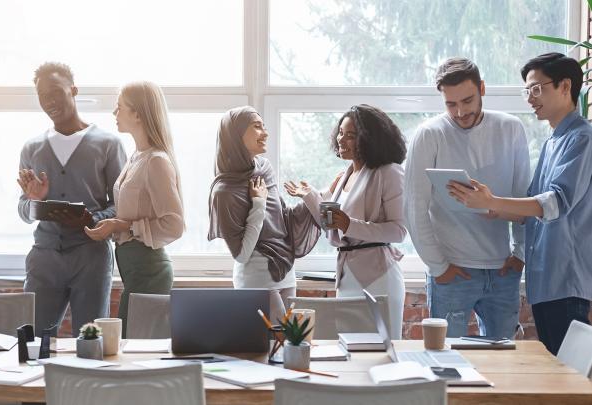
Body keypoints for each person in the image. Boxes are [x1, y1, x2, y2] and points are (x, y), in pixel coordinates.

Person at [448, 53, 592, 354]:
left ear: (565, 86)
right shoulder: (554, 141)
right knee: (556, 373)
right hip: (545, 283)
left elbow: (555, 203)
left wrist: (496, 201)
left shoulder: (582, 139)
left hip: (566, 281)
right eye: (526, 91)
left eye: (537, 89)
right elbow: (531, 208)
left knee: (568, 382)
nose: (530, 98)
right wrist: (492, 206)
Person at [404, 57, 531, 338]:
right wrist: (439, 267)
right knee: (448, 363)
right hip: (453, 271)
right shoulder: (428, 135)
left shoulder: (511, 128)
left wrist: (520, 253)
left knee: (505, 362)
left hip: (502, 271)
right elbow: (414, 208)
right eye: (451, 104)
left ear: (482, 88)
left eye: (467, 100)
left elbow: (524, 195)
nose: (460, 112)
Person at [17, 62, 126, 337]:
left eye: (56, 91)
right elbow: (23, 209)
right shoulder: (31, 148)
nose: (50, 101)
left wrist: (93, 218)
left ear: (73, 90)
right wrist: (34, 201)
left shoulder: (108, 144)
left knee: (91, 342)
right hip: (44, 257)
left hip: (91, 256)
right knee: (32, 343)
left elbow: (122, 204)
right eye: (43, 95)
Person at [285, 104, 408, 339]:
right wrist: (309, 196)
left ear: (369, 139)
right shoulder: (345, 176)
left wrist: (349, 224)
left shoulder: (389, 172)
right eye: (341, 132)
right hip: (347, 275)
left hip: (379, 277)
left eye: (351, 135)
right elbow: (331, 224)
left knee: (383, 351)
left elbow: (399, 231)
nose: (341, 139)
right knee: (349, 349)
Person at [85, 81, 184, 337]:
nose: (114, 114)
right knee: (129, 347)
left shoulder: (157, 161)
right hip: (133, 270)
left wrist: (121, 225)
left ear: (137, 114)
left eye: (119, 108)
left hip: (149, 271)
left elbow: (174, 225)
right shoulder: (137, 157)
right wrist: (113, 227)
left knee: (137, 351)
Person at [208, 106, 320, 319]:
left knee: (289, 345)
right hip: (257, 278)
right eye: (257, 127)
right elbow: (242, 254)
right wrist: (258, 203)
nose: (265, 133)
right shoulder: (224, 191)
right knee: (277, 341)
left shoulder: (264, 169)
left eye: (264, 126)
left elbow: (282, 218)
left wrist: (312, 196)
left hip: (286, 271)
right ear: (236, 135)